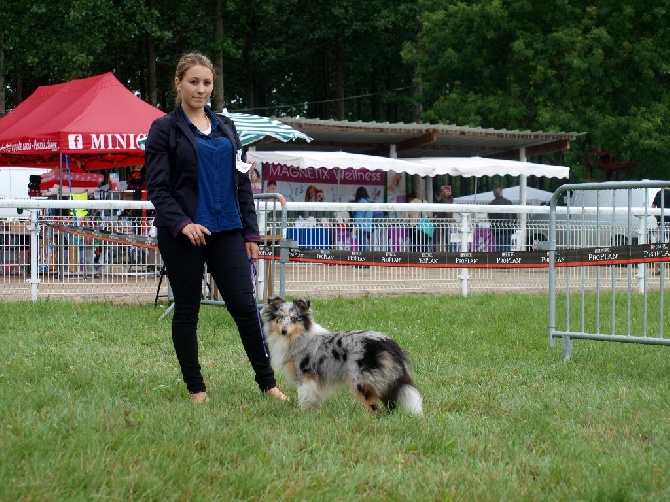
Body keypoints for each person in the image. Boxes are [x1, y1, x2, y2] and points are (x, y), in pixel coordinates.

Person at [145, 52, 288, 404]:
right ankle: (196, 388)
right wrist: (182, 223)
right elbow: (158, 187)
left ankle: (268, 384)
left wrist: (251, 233)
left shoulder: (226, 126)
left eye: (207, 83)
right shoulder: (164, 129)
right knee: (188, 308)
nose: (201, 89)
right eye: (193, 81)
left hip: (227, 230)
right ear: (178, 83)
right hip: (184, 234)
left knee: (244, 306)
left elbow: (242, 183)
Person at [489, 187, 516, 251]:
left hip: (498, 229)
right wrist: (514, 225)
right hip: (509, 227)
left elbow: (491, 217)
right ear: (502, 193)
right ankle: (508, 259)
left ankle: (500, 259)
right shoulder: (509, 202)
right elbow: (514, 215)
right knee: (508, 246)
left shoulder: (492, 204)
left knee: (500, 247)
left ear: (494, 194)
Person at [350, 186, 373, 263]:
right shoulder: (367, 201)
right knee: (364, 244)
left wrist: (354, 226)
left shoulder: (361, 202)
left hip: (361, 226)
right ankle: (364, 261)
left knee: (362, 244)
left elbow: (359, 215)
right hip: (367, 225)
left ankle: (363, 261)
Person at [651, 186, 670, 274]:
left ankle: (656, 269)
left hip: (661, 223)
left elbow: (653, 206)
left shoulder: (659, 193)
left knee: (660, 245)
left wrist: (657, 217)